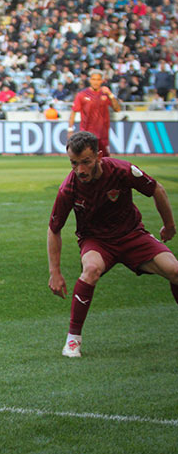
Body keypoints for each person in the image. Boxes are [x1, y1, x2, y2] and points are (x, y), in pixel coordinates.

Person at [47, 131, 178, 358]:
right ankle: (72, 341)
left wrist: (169, 225)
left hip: (133, 236)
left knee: (174, 270)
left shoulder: (122, 170)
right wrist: (54, 272)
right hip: (96, 241)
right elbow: (54, 229)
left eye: (86, 162)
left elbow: (156, 189)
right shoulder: (69, 188)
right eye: (74, 163)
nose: (80, 170)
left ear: (99, 156)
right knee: (90, 269)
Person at [68, 69, 120, 157]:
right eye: (93, 79)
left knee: (104, 159)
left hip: (103, 134)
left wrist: (110, 94)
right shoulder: (82, 94)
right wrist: (70, 129)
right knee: (86, 159)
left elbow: (117, 109)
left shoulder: (105, 94)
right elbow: (73, 112)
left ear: (102, 81)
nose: (96, 82)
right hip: (86, 134)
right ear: (90, 80)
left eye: (98, 79)